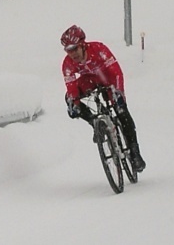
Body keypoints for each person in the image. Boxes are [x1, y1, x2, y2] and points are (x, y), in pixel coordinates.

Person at [60, 25, 146, 172]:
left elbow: (117, 72)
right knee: (69, 98)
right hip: (89, 80)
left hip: (107, 77)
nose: (72, 53)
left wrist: (118, 92)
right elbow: (71, 87)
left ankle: (135, 153)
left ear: (82, 45)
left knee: (121, 111)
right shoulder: (67, 63)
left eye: (74, 49)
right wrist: (74, 104)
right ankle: (95, 123)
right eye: (68, 50)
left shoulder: (98, 49)